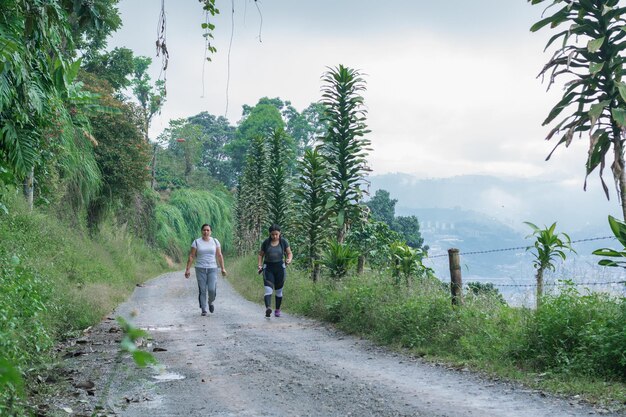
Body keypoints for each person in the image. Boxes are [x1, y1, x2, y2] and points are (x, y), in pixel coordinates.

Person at [185, 224, 227, 316]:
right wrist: (187, 269)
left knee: (212, 289)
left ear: (210, 231)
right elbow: (192, 256)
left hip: (212, 268)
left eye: (208, 230)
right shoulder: (196, 242)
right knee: (202, 289)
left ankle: (210, 302)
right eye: (204, 230)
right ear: (201, 231)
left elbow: (219, 255)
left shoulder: (215, 242)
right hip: (200, 268)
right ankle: (203, 309)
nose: (206, 232)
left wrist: (223, 268)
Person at [258, 224, 293, 318]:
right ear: (270, 234)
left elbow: (289, 253)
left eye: (276, 234)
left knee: (279, 291)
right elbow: (261, 255)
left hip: (280, 269)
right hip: (268, 268)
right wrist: (260, 265)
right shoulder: (266, 242)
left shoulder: (283, 242)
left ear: (279, 233)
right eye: (272, 234)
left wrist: (289, 259)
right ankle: (268, 308)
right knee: (268, 289)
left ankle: (277, 309)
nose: (274, 236)